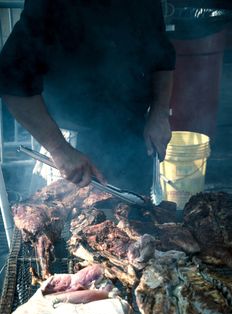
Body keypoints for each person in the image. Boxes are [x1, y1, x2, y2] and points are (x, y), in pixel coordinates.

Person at [0, 0, 175, 193]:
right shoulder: (50, 5)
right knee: (69, 221)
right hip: (71, 150)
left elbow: (162, 57)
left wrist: (160, 112)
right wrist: (59, 148)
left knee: (138, 219)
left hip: (132, 140)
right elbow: (12, 81)